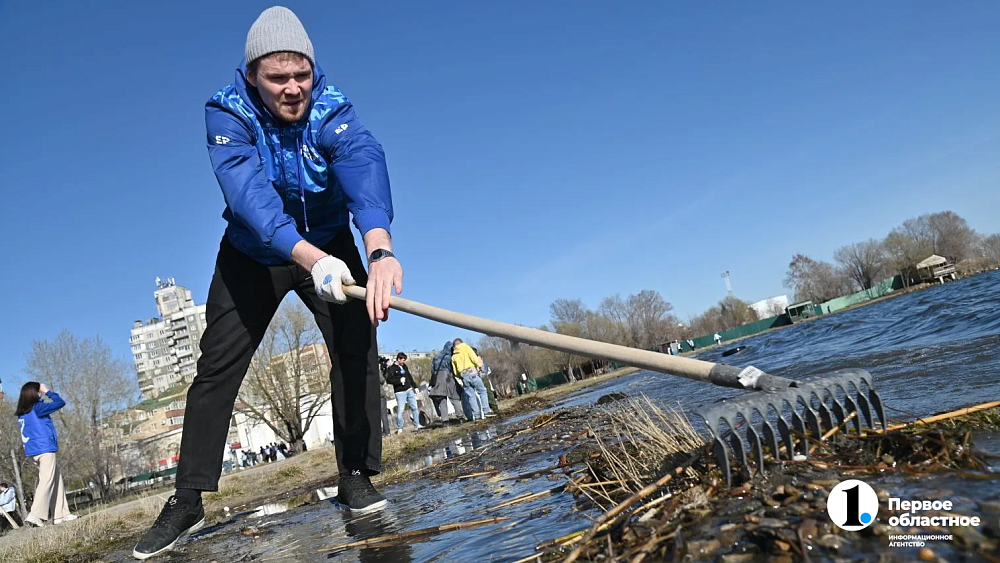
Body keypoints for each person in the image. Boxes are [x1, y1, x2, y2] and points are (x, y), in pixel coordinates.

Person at [134, 7, 403, 558]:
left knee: (357, 347)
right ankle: (187, 500)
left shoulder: (332, 106)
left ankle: (355, 473)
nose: (292, 88)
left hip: (329, 242)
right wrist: (308, 257)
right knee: (215, 370)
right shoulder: (225, 111)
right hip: (252, 254)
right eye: (278, 78)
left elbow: (362, 161)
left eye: (301, 74)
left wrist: (378, 247)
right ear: (253, 74)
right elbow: (249, 195)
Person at [15, 382, 77, 527]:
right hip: (44, 449)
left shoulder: (23, 412)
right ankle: (35, 515)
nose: (41, 393)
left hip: (34, 451)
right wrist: (47, 390)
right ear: (34, 393)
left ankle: (61, 514)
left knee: (56, 478)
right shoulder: (38, 408)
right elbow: (60, 402)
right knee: (46, 481)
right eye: (39, 391)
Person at [451, 339, 491, 421]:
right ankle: (486, 411)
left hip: (463, 376)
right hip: (472, 373)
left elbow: (455, 371)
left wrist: (460, 376)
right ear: (461, 343)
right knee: (482, 391)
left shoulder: (453, 356)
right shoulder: (466, 348)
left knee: (471, 396)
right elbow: (474, 358)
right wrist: (480, 366)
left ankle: (476, 416)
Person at [387, 353, 422, 433]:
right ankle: (400, 427)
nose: (403, 362)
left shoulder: (404, 366)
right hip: (400, 392)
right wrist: (399, 381)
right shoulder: (392, 368)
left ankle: (417, 424)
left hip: (408, 389)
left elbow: (409, 376)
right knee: (401, 410)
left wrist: (415, 386)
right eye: (402, 360)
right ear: (398, 359)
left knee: (414, 407)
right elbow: (389, 380)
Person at [429, 341, 462, 423]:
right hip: (448, 376)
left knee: (442, 399)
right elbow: (453, 369)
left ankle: (445, 420)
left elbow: (432, 370)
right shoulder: (450, 357)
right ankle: (460, 417)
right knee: (454, 397)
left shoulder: (436, 357)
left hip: (438, 378)